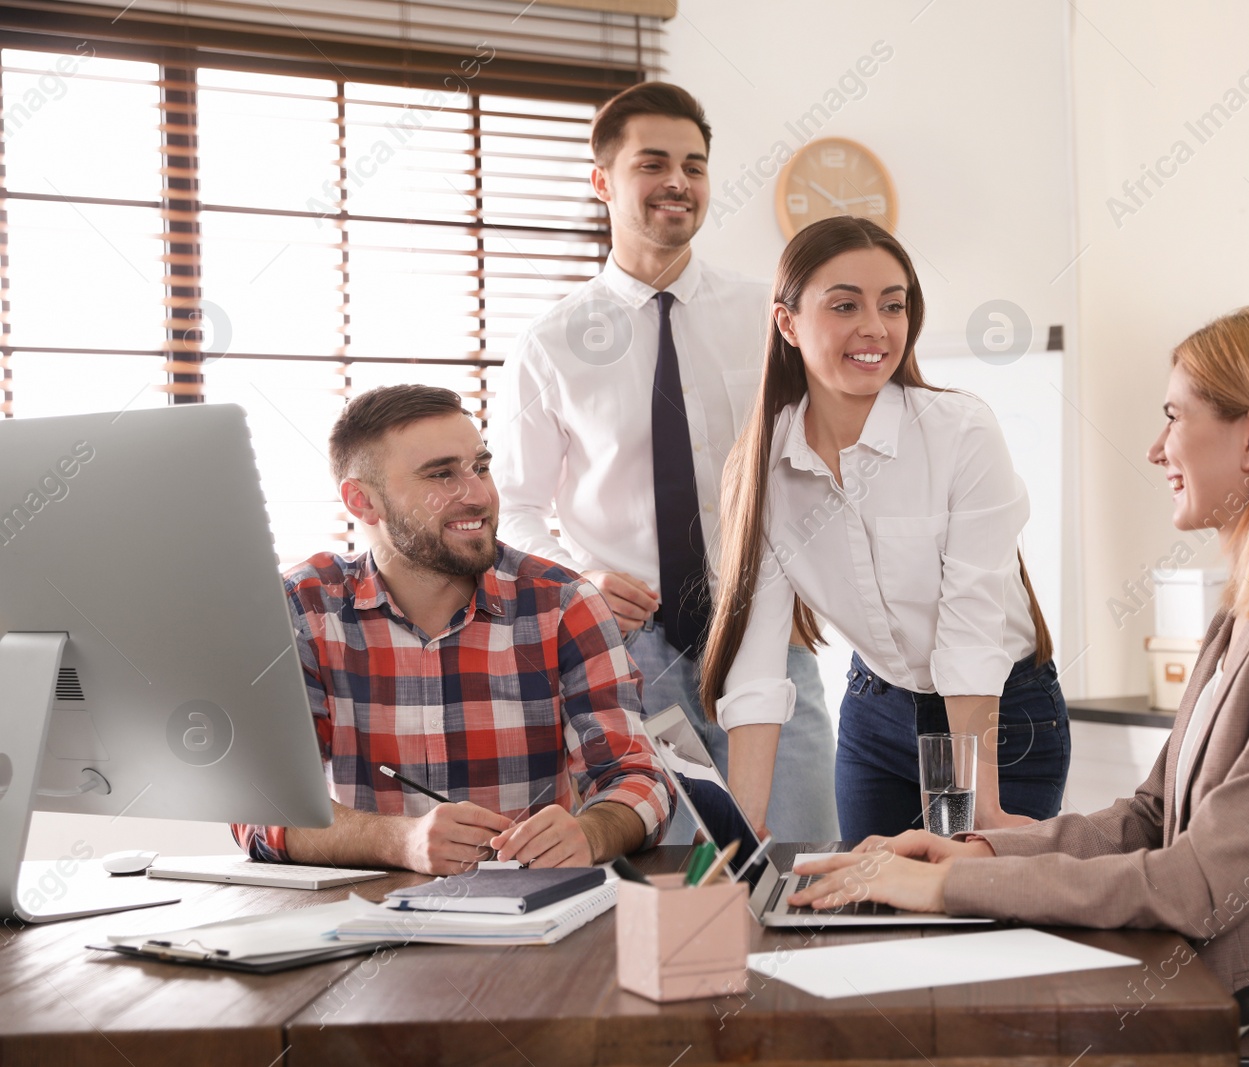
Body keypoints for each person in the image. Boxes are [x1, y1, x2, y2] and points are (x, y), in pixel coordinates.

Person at [788, 306, 1249, 1059]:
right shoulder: (1247, 615)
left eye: (1174, 416)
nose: (1155, 448)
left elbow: (1198, 880)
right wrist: (975, 854)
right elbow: (1148, 818)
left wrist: (948, 891)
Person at [490, 81, 838, 842]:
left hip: (766, 634)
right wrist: (577, 579)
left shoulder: (769, 317)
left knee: (803, 870)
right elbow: (512, 505)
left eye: (695, 164)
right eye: (653, 163)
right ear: (602, 180)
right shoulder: (551, 343)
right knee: (664, 891)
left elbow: (818, 458)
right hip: (628, 654)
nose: (679, 181)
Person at [701, 216, 1070, 842]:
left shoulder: (960, 432)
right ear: (786, 323)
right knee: (871, 913)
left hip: (1001, 716)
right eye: (845, 304)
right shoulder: (761, 469)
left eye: (893, 305)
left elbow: (971, 631)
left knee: (981, 920)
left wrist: (979, 806)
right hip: (877, 716)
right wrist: (745, 824)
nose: (875, 327)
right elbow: (758, 664)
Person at [231, 385, 675, 875]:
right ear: (362, 501)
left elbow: (640, 779)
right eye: (442, 475)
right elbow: (258, 807)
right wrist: (399, 841)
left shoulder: (565, 604)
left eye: (480, 468)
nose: (479, 495)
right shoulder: (304, 610)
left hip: (531, 922)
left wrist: (590, 833)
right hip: (365, 921)